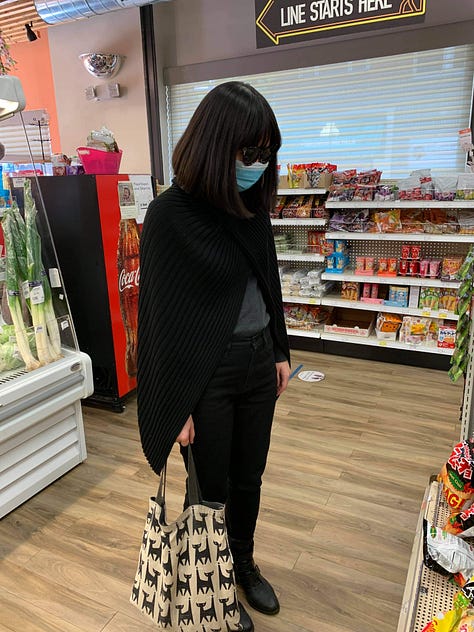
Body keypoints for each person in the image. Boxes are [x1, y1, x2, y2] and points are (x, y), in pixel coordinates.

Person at [137, 81, 291, 632]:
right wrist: (172, 404)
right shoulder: (169, 216)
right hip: (205, 376)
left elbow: (266, 282)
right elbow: (157, 321)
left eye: (266, 152)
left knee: (250, 477)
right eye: (248, 153)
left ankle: (243, 564)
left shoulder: (251, 209)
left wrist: (278, 348)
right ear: (214, 145)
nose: (259, 164)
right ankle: (213, 585)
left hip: (257, 364)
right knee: (210, 489)